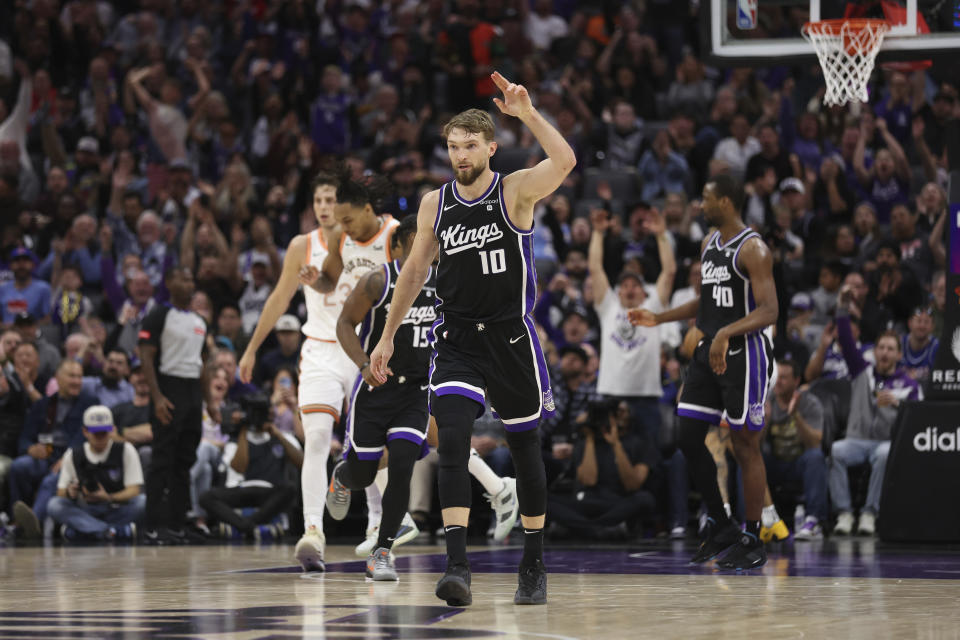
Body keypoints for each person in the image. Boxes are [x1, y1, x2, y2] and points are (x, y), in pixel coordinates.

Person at [370, 71, 577, 606]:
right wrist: (388, 336)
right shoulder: (434, 205)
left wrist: (528, 114)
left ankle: (533, 560)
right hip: (456, 338)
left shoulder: (515, 191)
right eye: (452, 147)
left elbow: (566, 163)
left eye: (469, 147)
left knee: (526, 451)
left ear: (490, 147)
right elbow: (413, 273)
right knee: (453, 442)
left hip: (510, 338)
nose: (460, 156)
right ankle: (457, 566)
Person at [238, 172, 399, 572]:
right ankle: (313, 532)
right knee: (315, 438)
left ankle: (380, 534)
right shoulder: (302, 245)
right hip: (322, 351)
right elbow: (279, 298)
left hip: (367, 349)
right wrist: (253, 348)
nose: (325, 208)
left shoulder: (378, 234)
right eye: (319, 201)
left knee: (371, 445)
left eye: (331, 200)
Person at [630, 174, 778, 570]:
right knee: (688, 436)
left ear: (727, 203)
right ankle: (721, 523)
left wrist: (726, 333)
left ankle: (752, 535)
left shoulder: (754, 249)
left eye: (707, 198)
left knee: (745, 445)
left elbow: (769, 311)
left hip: (745, 354)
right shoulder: (708, 243)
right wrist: (658, 318)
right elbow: (706, 300)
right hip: (709, 351)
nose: (700, 204)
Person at [830, 286, 921, 536]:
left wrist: (898, 404)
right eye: (881, 347)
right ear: (875, 350)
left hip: (885, 442)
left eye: (891, 348)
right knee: (836, 450)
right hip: (857, 440)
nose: (884, 352)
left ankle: (870, 513)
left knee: (883, 454)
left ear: (899, 354)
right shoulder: (862, 371)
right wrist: (842, 308)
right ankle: (845, 514)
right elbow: (847, 342)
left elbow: (920, 418)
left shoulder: (909, 385)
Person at [588, 206, 675, 446]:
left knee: (650, 463)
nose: (629, 288)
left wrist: (661, 236)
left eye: (634, 284)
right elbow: (595, 269)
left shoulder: (653, 307)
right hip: (610, 395)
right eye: (624, 285)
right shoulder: (609, 308)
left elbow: (669, 272)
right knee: (610, 460)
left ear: (643, 290)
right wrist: (597, 233)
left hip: (646, 398)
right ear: (619, 290)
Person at [138, 267, 211, 545]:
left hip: (192, 392)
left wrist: (209, 403)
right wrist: (156, 397)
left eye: (191, 277)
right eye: (183, 277)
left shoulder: (199, 321)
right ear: (168, 282)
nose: (189, 281)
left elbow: (202, 363)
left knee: (184, 461)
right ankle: (154, 525)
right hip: (168, 388)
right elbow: (145, 355)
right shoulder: (159, 314)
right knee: (162, 459)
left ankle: (178, 524)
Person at [10, 359, 95, 538]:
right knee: (19, 467)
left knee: (52, 480)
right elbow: (25, 437)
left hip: (72, 459)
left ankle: (33, 524)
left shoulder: (90, 404)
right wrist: (30, 449)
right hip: (45, 455)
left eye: (80, 376)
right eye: (72, 376)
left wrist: (67, 459)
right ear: (57, 378)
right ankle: (17, 518)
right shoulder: (43, 404)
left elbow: (85, 438)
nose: (77, 381)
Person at [198, 395, 302, 539]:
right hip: (242, 489)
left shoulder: (281, 437)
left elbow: (301, 462)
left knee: (290, 489)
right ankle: (249, 526)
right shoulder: (237, 438)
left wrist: (277, 434)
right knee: (206, 497)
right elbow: (239, 467)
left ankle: (244, 525)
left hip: (269, 492)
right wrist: (243, 429)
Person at [46, 405, 145, 541]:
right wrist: (71, 492)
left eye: (104, 433)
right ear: (85, 432)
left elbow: (134, 491)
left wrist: (108, 497)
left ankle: (85, 531)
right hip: (85, 509)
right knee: (54, 505)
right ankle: (111, 531)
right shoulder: (73, 454)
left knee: (142, 502)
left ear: (112, 431)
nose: (100, 438)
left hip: (115, 508)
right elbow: (61, 492)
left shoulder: (126, 450)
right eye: (96, 433)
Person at [764, 361, 828, 540]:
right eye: (777, 377)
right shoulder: (767, 401)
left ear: (796, 380)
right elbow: (756, 445)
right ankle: (751, 519)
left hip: (800, 463)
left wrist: (795, 416)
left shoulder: (810, 403)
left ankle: (813, 521)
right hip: (776, 463)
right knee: (749, 460)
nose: (779, 382)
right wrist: (765, 422)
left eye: (784, 378)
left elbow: (815, 442)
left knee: (815, 457)